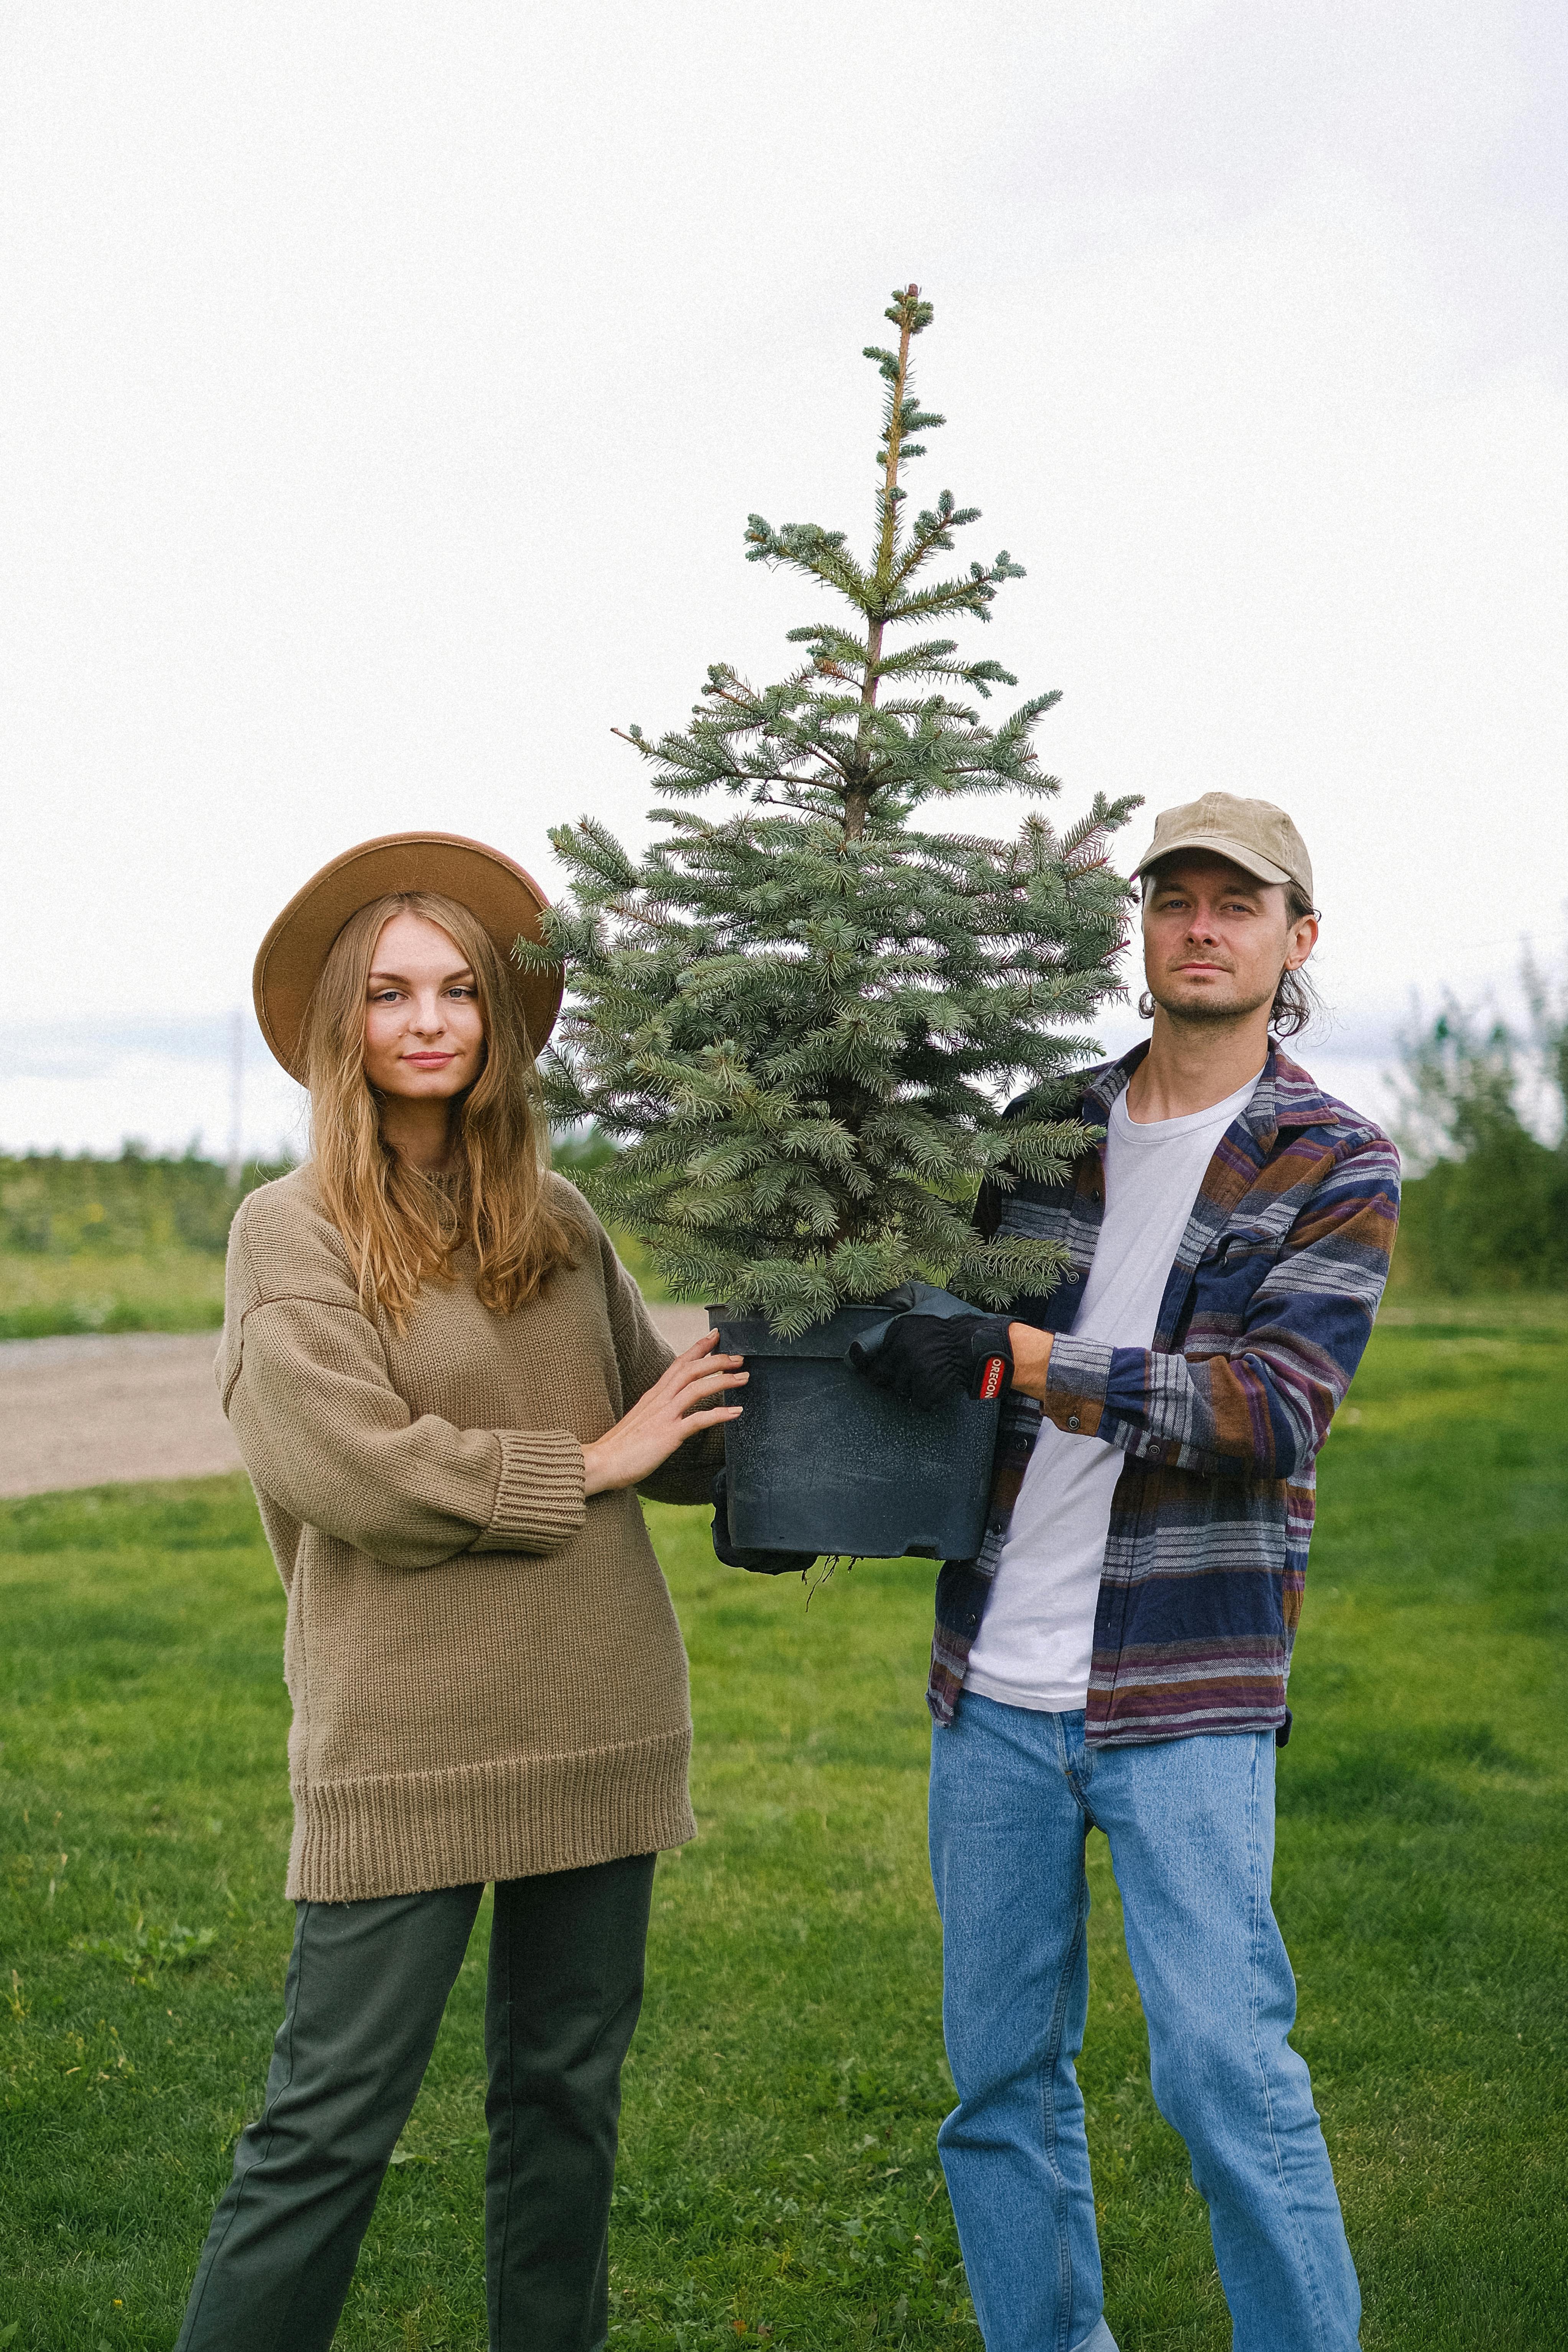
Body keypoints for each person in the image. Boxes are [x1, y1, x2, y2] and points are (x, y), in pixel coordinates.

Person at [174, 830, 745, 2352]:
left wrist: (812, 1354)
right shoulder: (284, 1233)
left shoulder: (561, 1227)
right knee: (325, 2129)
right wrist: (594, 1462)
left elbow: (666, 1436)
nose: (429, 1021)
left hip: (598, 1721)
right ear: (340, 1029)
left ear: (497, 1021)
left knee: (565, 2110)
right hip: (403, 1747)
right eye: (389, 993)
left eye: (458, 993)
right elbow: (358, 1469)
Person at [855, 792, 1400, 2352]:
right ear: (1145, 925)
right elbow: (919, 1319)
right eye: (1179, 898)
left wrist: (1020, 1356)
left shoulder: (1332, 1161)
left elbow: (1264, 1409)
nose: (1204, 925)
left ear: (1297, 940)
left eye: (1242, 903)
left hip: (1185, 1692)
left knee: (1228, 2077)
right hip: (993, 1698)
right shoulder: (1045, 1128)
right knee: (997, 2083)